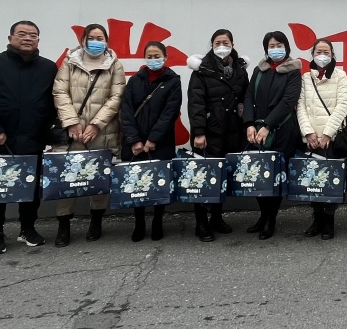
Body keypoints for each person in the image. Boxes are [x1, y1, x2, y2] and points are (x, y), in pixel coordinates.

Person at [0, 20, 58, 256]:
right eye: (22, 34)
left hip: (33, 138)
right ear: (10, 38)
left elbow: (53, 103)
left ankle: (27, 228)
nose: (28, 38)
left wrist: (51, 133)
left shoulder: (48, 68)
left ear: (38, 40)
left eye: (33, 35)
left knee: (30, 188)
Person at [51, 24, 126, 247]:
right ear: (83, 40)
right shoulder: (70, 62)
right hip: (72, 133)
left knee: (98, 178)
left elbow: (116, 97)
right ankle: (63, 224)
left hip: (102, 131)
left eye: (100, 38)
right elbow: (60, 92)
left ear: (106, 41)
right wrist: (71, 122)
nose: (96, 42)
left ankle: (96, 221)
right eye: (91, 37)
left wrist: (96, 124)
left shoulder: (114, 64)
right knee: (68, 178)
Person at [186, 29, 250, 242]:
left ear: (232, 44)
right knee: (203, 177)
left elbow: (245, 98)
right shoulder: (201, 70)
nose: (222, 46)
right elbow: (195, 103)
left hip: (231, 131)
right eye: (217, 42)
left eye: (225, 42)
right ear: (212, 45)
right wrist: (199, 132)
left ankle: (216, 217)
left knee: (221, 177)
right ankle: (201, 223)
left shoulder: (240, 70)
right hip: (209, 132)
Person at [119, 41, 183, 242]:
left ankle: (157, 220)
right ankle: (139, 222)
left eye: (157, 56)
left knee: (159, 182)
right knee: (137, 183)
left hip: (161, 141)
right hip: (135, 142)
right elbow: (126, 110)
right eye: (150, 56)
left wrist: (153, 139)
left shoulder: (173, 81)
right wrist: (134, 140)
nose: (153, 59)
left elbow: (170, 112)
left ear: (165, 57)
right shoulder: (135, 80)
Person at [242, 31, 302, 240]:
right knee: (258, 173)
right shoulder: (260, 70)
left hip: (282, 130)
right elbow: (248, 97)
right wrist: (249, 124)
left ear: (287, 47)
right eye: (271, 46)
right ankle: (263, 215)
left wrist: (268, 125)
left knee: (274, 175)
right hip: (256, 131)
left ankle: (271, 219)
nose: (275, 49)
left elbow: (288, 101)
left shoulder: (293, 71)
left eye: (279, 45)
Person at [296, 38, 347, 240]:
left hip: (331, 138)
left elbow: (343, 105)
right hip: (311, 139)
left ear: (333, 55)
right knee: (313, 180)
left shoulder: (340, 76)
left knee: (329, 180)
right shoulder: (305, 78)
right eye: (318, 51)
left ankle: (328, 221)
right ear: (312, 55)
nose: (322, 55)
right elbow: (300, 107)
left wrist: (328, 133)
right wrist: (308, 133)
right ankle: (316, 219)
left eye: (326, 52)